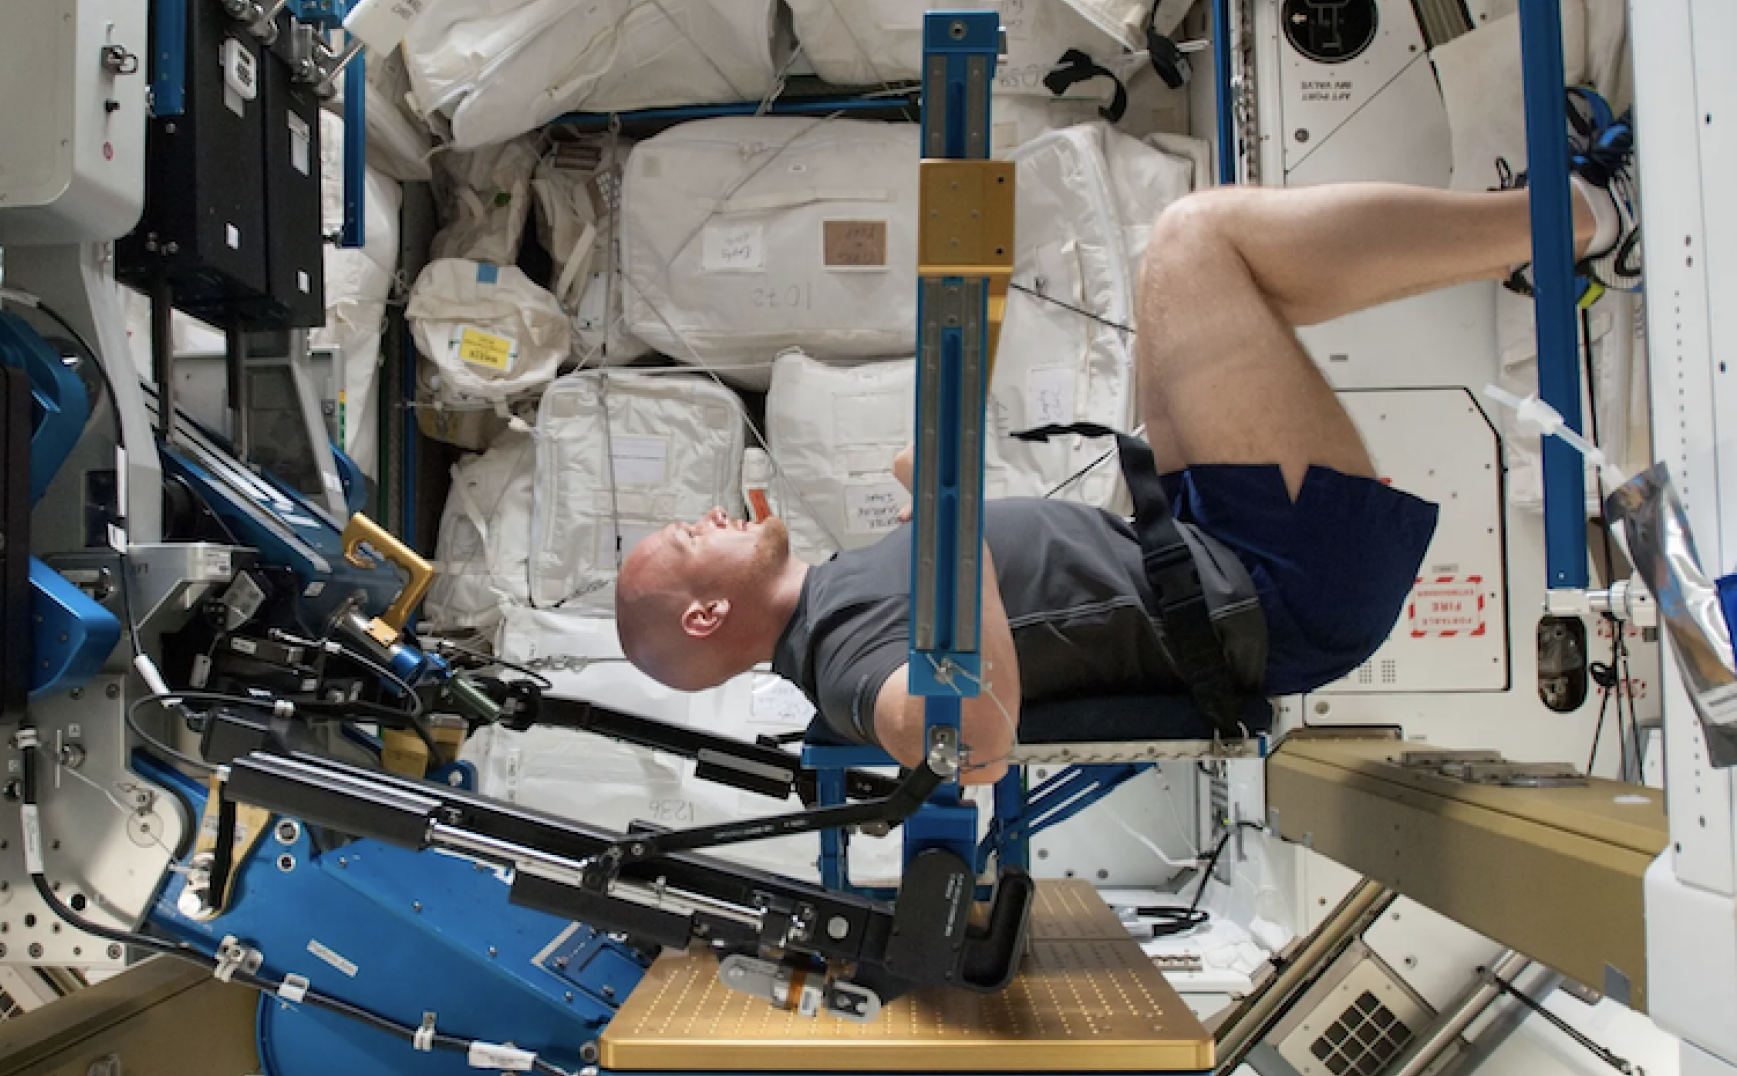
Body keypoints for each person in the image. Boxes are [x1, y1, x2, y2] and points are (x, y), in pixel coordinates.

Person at [616, 175, 1634, 784]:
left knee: (1171, 254)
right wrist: (943, 515)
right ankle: (1574, 217)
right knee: (1202, 241)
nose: (706, 516)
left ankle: (1547, 224)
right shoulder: (840, 669)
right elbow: (969, 746)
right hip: (1271, 590)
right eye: (689, 537)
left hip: (1187, 544)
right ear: (704, 616)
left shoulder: (830, 598)